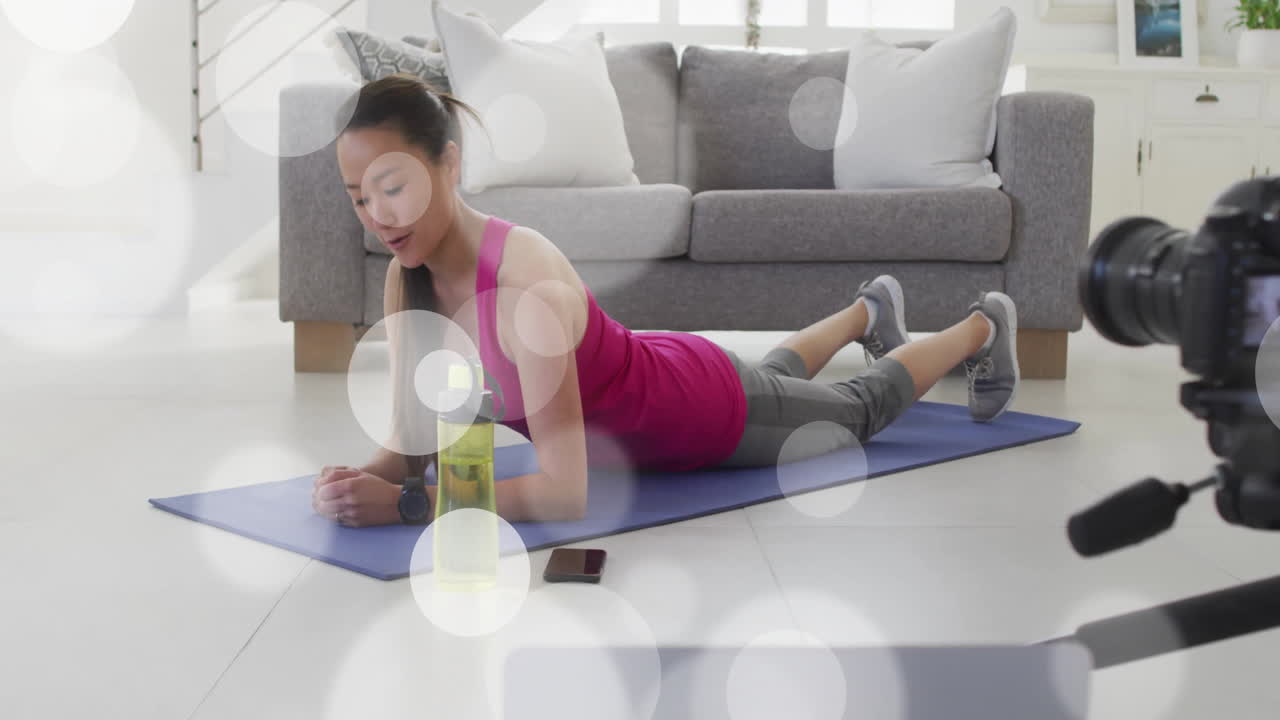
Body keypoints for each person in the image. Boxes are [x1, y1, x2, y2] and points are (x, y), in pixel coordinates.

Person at [312, 74, 1019, 528]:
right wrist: (357, 481)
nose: (378, 216)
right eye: (359, 197)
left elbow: (563, 493)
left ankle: (982, 326)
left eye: (393, 187)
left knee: (855, 411)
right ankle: (868, 312)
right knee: (774, 379)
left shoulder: (523, 286)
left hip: (704, 415)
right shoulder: (406, 276)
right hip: (664, 371)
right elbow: (413, 442)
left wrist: (410, 505)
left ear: (450, 163)